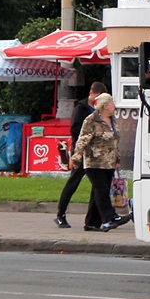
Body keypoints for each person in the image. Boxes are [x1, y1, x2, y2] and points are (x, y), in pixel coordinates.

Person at [71, 93, 129, 232]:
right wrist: (76, 158)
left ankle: (91, 223)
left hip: (108, 163)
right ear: (105, 106)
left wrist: (117, 159)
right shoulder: (91, 120)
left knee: (98, 192)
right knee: (101, 190)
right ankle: (109, 218)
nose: (114, 105)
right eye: (112, 103)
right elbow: (82, 140)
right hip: (94, 162)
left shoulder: (112, 119)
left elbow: (114, 141)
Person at [54, 81, 103, 228]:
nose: (98, 101)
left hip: (95, 152)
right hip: (81, 151)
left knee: (98, 185)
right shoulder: (81, 108)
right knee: (73, 182)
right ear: (92, 93)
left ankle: (93, 220)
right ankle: (60, 214)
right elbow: (75, 129)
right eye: (97, 97)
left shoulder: (99, 109)